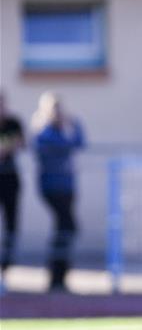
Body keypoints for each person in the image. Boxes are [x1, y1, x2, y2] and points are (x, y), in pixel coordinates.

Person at [31, 92, 85, 291]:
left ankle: (60, 275)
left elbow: (80, 142)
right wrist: (66, 131)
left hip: (68, 186)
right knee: (66, 226)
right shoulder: (43, 131)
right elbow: (63, 146)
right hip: (51, 187)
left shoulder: (65, 129)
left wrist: (73, 123)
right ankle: (56, 274)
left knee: (65, 228)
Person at [0, 91, 25, 277]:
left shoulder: (13, 122)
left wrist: (6, 146)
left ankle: (6, 265)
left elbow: (21, 143)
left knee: (11, 223)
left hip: (10, 179)